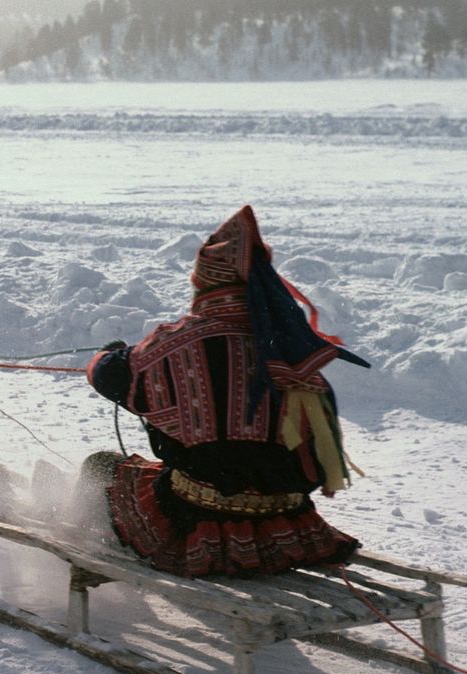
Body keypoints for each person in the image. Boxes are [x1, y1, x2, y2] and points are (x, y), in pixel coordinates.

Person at [82, 205, 369, 578]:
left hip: (202, 517)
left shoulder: (180, 340)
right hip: (288, 522)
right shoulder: (297, 351)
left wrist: (107, 354)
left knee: (100, 467)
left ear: (206, 282)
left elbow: (109, 375)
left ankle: (83, 558)